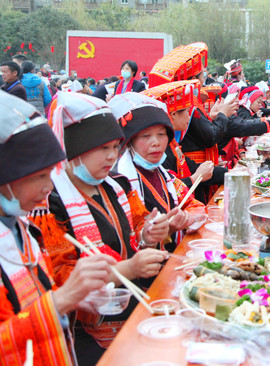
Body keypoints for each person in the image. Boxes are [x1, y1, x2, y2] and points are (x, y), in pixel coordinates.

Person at [37, 91, 170, 365]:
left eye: (115, 148)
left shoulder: (118, 185)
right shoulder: (51, 204)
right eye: (102, 148)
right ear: (73, 150)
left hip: (131, 307)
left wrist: (149, 235)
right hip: (81, 332)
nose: (111, 157)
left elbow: (137, 231)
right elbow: (61, 278)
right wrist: (129, 269)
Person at [0, 90, 116, 365]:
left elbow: (32, 302)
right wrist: (61, 300)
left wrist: (73, 301)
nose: (49, 188)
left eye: (51, 174)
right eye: (39, 176)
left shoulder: (22, 229)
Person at [110, 92, 207, 250]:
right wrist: (166, 230)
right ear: (130, 142)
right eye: (146, 136)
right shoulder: (119, 183)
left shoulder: (165, 176)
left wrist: (187, 217)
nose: (156, 142)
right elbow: (127, 241)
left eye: (161, 134)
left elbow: (194, 204)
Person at [142, 80, 218, 203]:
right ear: (173, 115)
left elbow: (191, 166)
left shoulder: (172, 144)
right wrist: (195, 177)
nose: (189, 117)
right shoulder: (160, 149)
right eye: (187, 112)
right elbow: (164, 188)